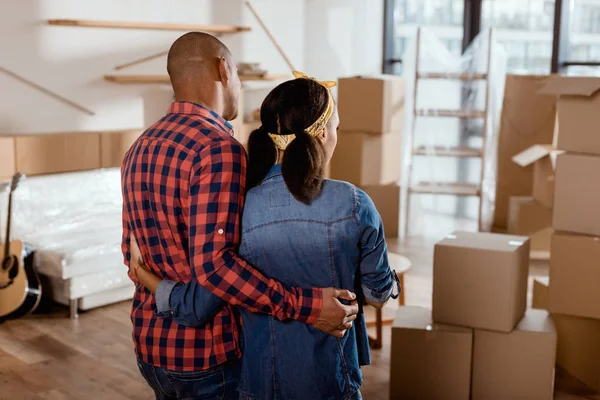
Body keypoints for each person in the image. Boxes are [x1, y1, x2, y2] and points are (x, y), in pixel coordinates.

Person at [130, 72, 401, 399]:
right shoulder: (355, 205)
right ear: (322, 134)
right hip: (333, 382)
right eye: (336, 129)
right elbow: (378, 294)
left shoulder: (236, 207)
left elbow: (201, 301)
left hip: (257, 384)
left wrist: (144, 276)